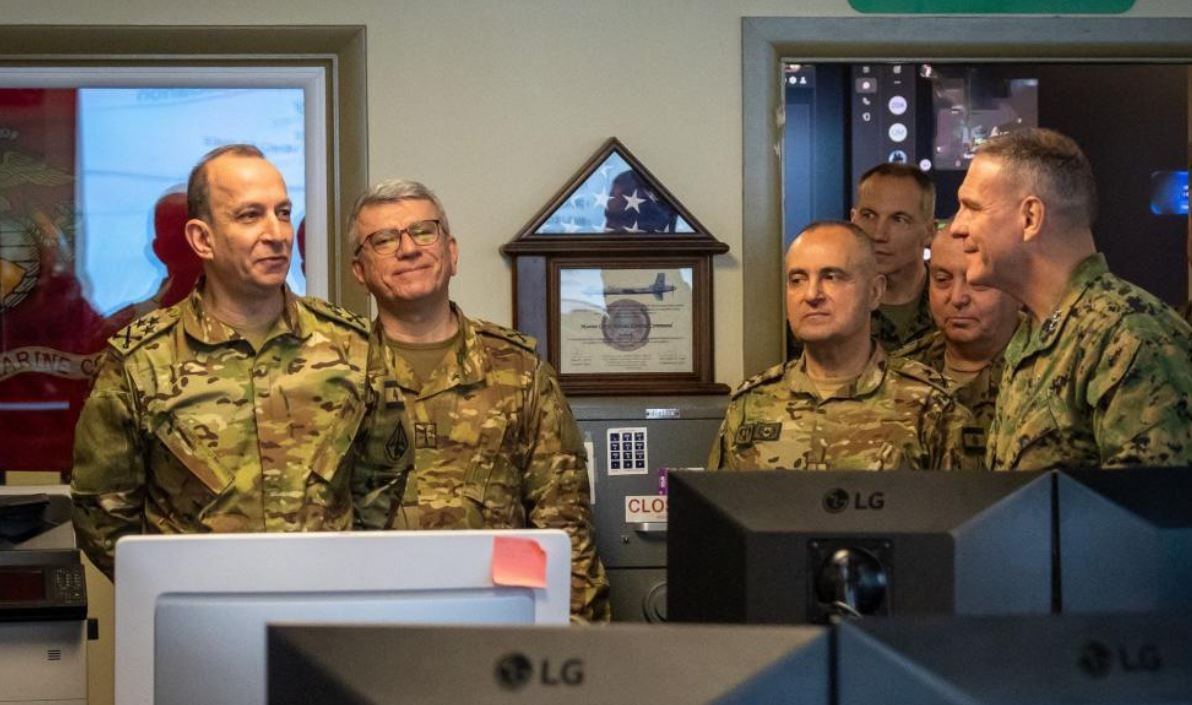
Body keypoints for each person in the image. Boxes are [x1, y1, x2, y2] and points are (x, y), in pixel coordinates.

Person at [71, 144, 373, 578]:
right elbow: (103, 515)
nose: (277, 233)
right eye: (250, 215)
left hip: (326, 605)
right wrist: (178, 592)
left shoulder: (351, 346)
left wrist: (350, 580)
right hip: (199, 609)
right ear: (202, 239)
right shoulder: (140, 361)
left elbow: (382, 486)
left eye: (283, 213)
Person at [347, 179, 610, 623]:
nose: (408, 249)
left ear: (451, 253)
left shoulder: (519, 372)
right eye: (385, 240)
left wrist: (570, 649)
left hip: (497, 628)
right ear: (360, 271)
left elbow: (566, 529)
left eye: (423, 232)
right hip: (372, 627)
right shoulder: (336, 374)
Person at [950, 128, 1192, 470]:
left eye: (971, 207)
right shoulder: (1035, 335)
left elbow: (1148, 500)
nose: (956, 227)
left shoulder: (1132, 337)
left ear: (1030, 218)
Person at [707, 220, 978, 472]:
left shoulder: (931, 407)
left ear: (875, 292)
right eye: (797, 280)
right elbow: (719, 506)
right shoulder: (751, 404)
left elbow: (961, 507)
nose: (811, 295)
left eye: (832, 277)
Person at [895, 224, 1022, 450]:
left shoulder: (1049, 372)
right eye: (942, 279)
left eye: (978, 282)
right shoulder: (899, 373)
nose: (957, 298)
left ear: (1019, 287)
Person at [849, 162, 937, 351]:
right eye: (869, 216)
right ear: (853, 220)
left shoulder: (954, 304)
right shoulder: (832, 306)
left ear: (929, 232)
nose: (879, 234)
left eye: (899, 220)